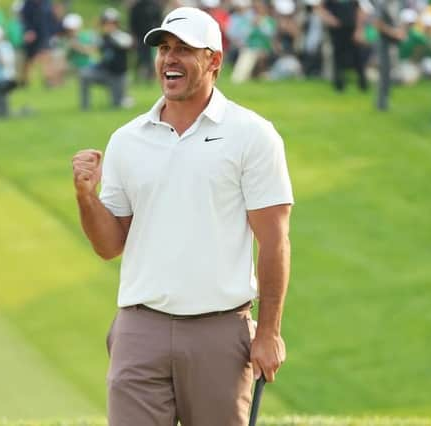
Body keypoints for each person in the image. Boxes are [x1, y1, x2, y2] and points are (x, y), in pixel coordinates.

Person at [71, 6, 293, 425]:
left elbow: (275, 240)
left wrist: (268, 331)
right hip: (140, 328)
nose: (169, 59)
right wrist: (87, 197)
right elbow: (108, 245)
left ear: (214, 61)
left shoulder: (252, 135)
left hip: (219, 331)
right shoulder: (127, 139)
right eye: (164, 49)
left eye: (184, 50)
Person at [79, 8, 133, 110]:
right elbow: (91, 48)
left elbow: (127, 44)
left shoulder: (122, 36)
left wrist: (110, 36)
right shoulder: (102, 38)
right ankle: (85, 107)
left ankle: (124, 96)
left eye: (112, 23)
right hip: (105, 73)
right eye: (106, 23)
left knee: (117, 104)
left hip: (118, 76)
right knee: (84, 75)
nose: (109, 25)